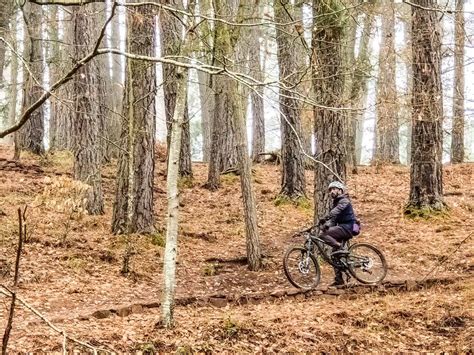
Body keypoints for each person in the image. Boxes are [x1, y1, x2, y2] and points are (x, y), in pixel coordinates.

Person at [317, 181, 359, 286]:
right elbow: (334, 220)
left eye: (334, 189)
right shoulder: (336, 203)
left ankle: (339, 246)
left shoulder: (344, 200)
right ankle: (339, 280)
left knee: (322, 235)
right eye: (330, 190)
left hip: (347, 228)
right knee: (334, 256)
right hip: (342, 228)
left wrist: (325, 217)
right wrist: (326, 225)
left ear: (340, 190)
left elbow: (336, 211)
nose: (331, 191)